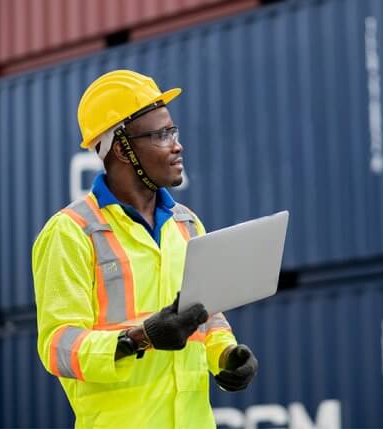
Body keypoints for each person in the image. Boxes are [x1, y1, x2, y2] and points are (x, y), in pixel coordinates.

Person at [32, 70, 258, 428]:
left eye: (174, 131)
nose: (177, 144)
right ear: (122, 149)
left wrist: (227, 355)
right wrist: (141, 338)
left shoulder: (186, 224)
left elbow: (206, 315)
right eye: (161, 134)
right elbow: (57, 347)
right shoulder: (70, 232)